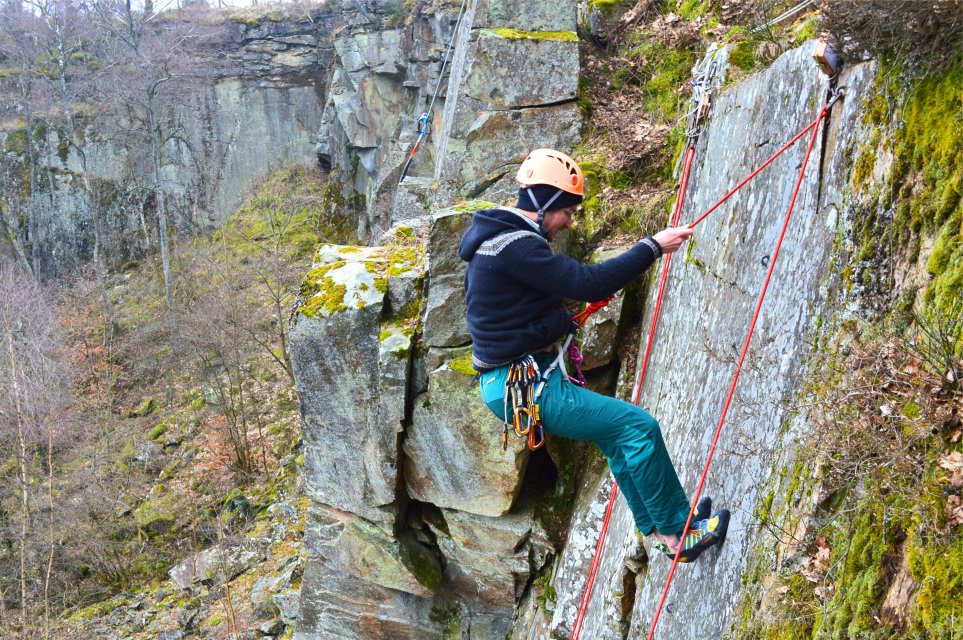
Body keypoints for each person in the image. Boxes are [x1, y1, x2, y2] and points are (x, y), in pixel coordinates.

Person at [458, 148, 729, 562]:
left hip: (514, 382)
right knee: (639, 428)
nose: (569, 220)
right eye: (566, 210)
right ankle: (679, 535)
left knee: (615, 437)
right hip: (524, 384)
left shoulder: (498, 243)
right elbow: (586, 281)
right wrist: (653, 247)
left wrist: (561, 322)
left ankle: (662, 525)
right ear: (545, 203)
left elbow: (512, 314)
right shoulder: (515, 246)